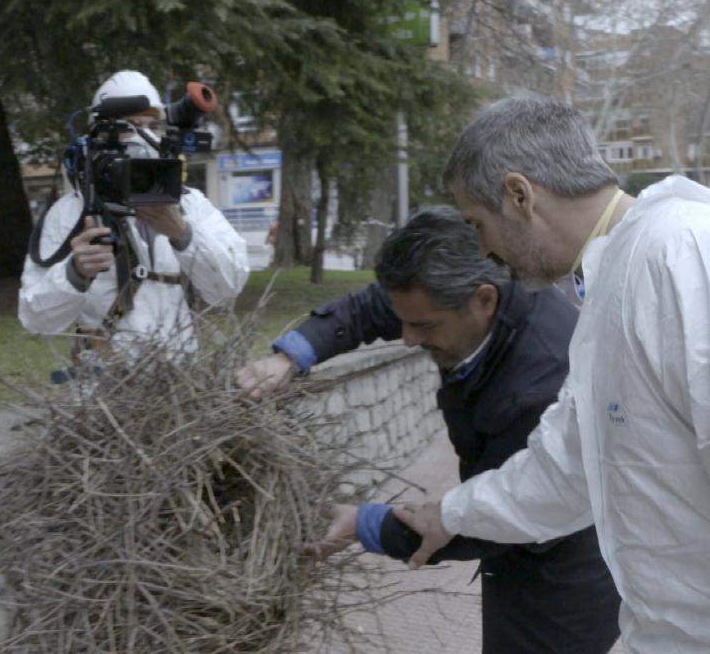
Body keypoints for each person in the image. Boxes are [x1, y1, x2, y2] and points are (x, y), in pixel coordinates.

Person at [388, 97, 710, 653]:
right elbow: (567, 468)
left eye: (479, 224)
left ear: (519, 195)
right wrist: (451, 514)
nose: (483, 249)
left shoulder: (690, 254)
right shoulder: (615, 279)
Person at [236, 207, 620, 653]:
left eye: (423, 326)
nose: (408, 339)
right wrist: (290, 356)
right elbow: (371, 307)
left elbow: (497, 515)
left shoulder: (536, 387)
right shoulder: (443, 297)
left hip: (563, 561)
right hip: (514, 532)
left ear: (484, 300)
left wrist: (367, 524)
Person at [19, 70, 249, 358]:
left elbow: (228, 288)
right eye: (129, 125)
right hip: (100, 390)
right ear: (98, 136)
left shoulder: (190, 204)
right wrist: (74, 273)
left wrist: (183, 235)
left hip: (181, 385)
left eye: (151, 124)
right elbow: (36, 320)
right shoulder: (70, 212)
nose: (143, 135)